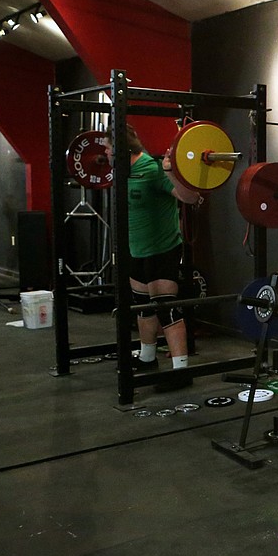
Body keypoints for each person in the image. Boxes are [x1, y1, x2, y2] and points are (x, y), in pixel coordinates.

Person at [106, 126, 200, 387]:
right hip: (135, 249)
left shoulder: (154, 169)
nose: (105, 152)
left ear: (121, 150)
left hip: (162, 250)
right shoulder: (123, 172)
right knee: (143, 305)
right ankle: (147, 357)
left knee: (165, 308)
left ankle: (180, 370)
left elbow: (190, 198)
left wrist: (171, 172)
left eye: (108, 147)